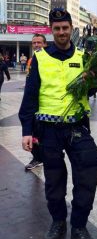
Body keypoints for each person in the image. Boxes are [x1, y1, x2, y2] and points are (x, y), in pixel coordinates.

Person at [19, 8, 97, 239]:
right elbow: (30, 97)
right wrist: (26, 130)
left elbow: (90, 92)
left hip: (77, 126)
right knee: (54, 180)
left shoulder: (85, 56)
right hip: (49, 130)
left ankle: (79, 226)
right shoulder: (40, 59)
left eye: (65, 28)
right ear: (51, 30)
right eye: (57, 29)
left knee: (88, 171)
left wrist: (92, 79)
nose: (62, 32)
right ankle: (58, 222)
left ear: (72, 28)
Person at [24, 34, 47, 170]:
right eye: (34, 43)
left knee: (42, 132)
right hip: (33, 102)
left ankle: (43, 156)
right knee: (33, 131)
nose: (37, 45)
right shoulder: (32, 60)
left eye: (39, 42)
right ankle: (37, 157)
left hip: (45, 103)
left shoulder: (49, 60)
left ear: (45, 44)